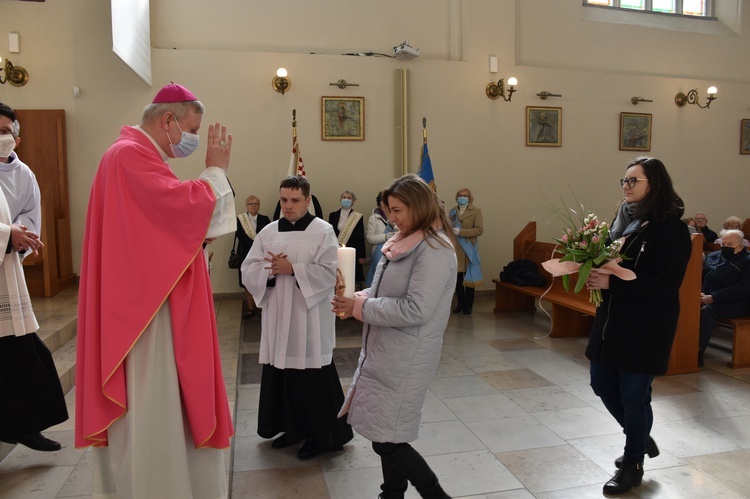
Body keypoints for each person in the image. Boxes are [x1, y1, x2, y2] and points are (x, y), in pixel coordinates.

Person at [76, 83, 235, 498]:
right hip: (146, 316)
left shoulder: (131, 154)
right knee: (156, 399)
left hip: (142, 299)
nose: (195, 139)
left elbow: (153, 230)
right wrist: (216, 170)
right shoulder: (129, 155)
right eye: (192, 127)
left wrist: (191, 237)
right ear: (168, 120)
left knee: (159, 401)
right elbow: (182, 207)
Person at [332, 174, 456, 499]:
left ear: (418, 206)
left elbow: (416, 309)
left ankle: (435, 495)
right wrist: (355, 296)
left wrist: (361, 307)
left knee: (388, 441)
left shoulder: (434, 249)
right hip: (386, 352)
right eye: (389, 210)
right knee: (386, 434)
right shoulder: (407, 239)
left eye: (398, 210)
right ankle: (392, 493)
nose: (392, 217)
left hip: (407, 357)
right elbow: (383, 291)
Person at [585, 157, 691, 495]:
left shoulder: (672, 228)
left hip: (645, 327)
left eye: (634, 181)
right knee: (601, 383)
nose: (627, 187)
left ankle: (633, 464)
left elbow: (666, 283)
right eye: (625, 181)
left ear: (654, 184)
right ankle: (641, 437)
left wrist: (611, 283)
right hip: (611, 322)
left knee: (634, 395)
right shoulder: (621, 224)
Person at [243, 176, 353, 460]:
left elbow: (330, 272)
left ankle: (320, 435)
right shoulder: (267, 232)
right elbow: (249, 269)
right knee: (284, 375)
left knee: (312, 378)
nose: (288, 206)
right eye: (283, 200)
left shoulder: (323, 230)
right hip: (279, 315)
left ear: (307, 199)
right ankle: (292, 429)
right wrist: (269, 270)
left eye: (294, 200)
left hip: (309, 316)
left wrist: (292, 268)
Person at [0, 103, 68, 452]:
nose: (0, 138)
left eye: (4, 132)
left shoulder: (24, 173)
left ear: (17, 137)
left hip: (7, 269)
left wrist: (19, 238)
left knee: (22, 351)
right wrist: (5, 233)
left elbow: (30, 216)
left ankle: (23, 425)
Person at [699, 229, 750, 366]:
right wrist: (701, 292)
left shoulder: (747, 261)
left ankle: (697, 353)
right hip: (710, 297)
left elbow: (742, 289)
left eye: (730, 244)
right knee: (688, 305)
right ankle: (682, 350)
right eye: (723, 243)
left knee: (706, 311)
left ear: (740, 246)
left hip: (736, 303)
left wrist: (714, 297)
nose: (725, 247)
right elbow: (703, 278)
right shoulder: (713, 256)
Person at [449, 188, 483, 315]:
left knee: (469, 279)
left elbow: (479, 230)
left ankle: (468, 306)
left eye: (465, 196)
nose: (462, 197)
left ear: (469, 198)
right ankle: (460, 304)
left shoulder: (476, 211)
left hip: (469, 249)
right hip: (456, 249)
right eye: (460, 195)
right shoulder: (452, 211)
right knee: (457, 280)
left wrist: (462, 232)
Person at [236, 195, 271, 318]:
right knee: (247, 282)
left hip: (262, 255)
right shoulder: (240, 219)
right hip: (246, 254)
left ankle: (261, 307)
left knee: (261, 281)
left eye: (256, 203)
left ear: (259, 206)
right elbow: (240, 236)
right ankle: (250, 308)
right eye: (251, 203)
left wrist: (258, 247)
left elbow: (268, 236)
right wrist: (254, 245)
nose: (253, 206)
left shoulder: (265, 219)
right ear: (246, 206)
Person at [328, 190, 367, 286]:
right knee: (338, 275)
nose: (346, 199)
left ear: (353, 201)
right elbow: (329, 234)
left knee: (351, 277)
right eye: (344, 197)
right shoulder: (333, 215)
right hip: (336, 249)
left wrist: (362, 255)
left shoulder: (357, 216)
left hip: (353, 250)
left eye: (349, 198)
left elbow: (361, 236)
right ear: (340, 200)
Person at [364, 191, 397, 287]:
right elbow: (369, 238)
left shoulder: (395, 215)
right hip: (378, 253)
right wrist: (386, 237)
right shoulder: (374, 218)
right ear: (381, 202)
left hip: (393, 252)